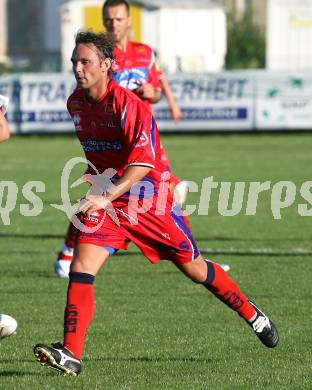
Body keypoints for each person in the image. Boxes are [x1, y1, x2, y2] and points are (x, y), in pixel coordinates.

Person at [34, 30, 278, 377]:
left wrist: (106, 194)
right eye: (74, 61)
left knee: (196, 270)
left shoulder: (127, 105)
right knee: (81, 268)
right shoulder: (75, 103)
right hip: (110, 204)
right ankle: (71, 352)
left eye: (85, 61)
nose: (77, 67)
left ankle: (252, 314)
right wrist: (100, 193)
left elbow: (143, 163)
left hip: (150, 203)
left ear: (106, 65)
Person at [54, 0, 204, 278]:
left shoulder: (144, 53)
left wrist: (153, 93)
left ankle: (194, 259)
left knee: (165, 192)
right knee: (98, 194)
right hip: (113, 137)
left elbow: (157, 90)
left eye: (119, 19)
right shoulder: (96, 56)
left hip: (142, 135)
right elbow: (87, 96)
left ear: (129, 21)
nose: (114, 24)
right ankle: (68, 251)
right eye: (109, 20)